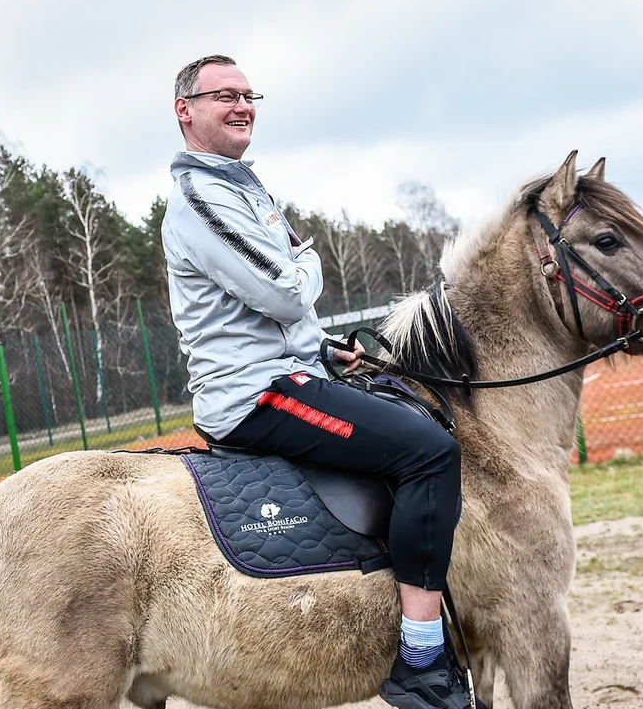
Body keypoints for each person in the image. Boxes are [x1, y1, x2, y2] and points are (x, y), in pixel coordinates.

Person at [162, 55, 468, 709]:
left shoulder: (242, 187)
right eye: (225, 96)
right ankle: (418, 659)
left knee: (418, 415)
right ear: (185, 110)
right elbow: (280, 291)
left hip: (291, 368)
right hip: (257, 394)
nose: (243, 105)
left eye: (250, 95)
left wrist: (322, 345)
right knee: (429, 451)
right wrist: (309, 264)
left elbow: (265, 308)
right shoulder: (198, 196)